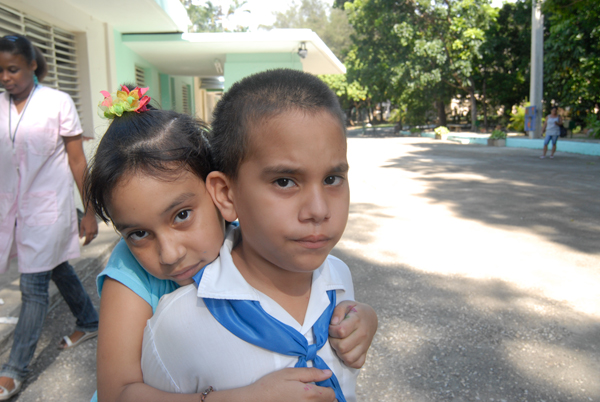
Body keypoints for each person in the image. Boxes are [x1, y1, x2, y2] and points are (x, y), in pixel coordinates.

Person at [85, 85, 378, 402]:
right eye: (138, 234)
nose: (170, 254)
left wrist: (362, 317)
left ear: (221, 195)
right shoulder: (129, 274)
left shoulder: (246, 237)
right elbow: (117, 394)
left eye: (182, 215)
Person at [0, 34, 99, 399]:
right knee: (57, 267)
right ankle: (89, 320)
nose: (6, 77)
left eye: (12, 69)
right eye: (0, 71)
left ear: (32, 65)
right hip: (12, 209)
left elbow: (77, 160)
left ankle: (14, 369)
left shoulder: (57, 101)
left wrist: (89, 211)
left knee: (33, 287)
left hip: (49, 208)